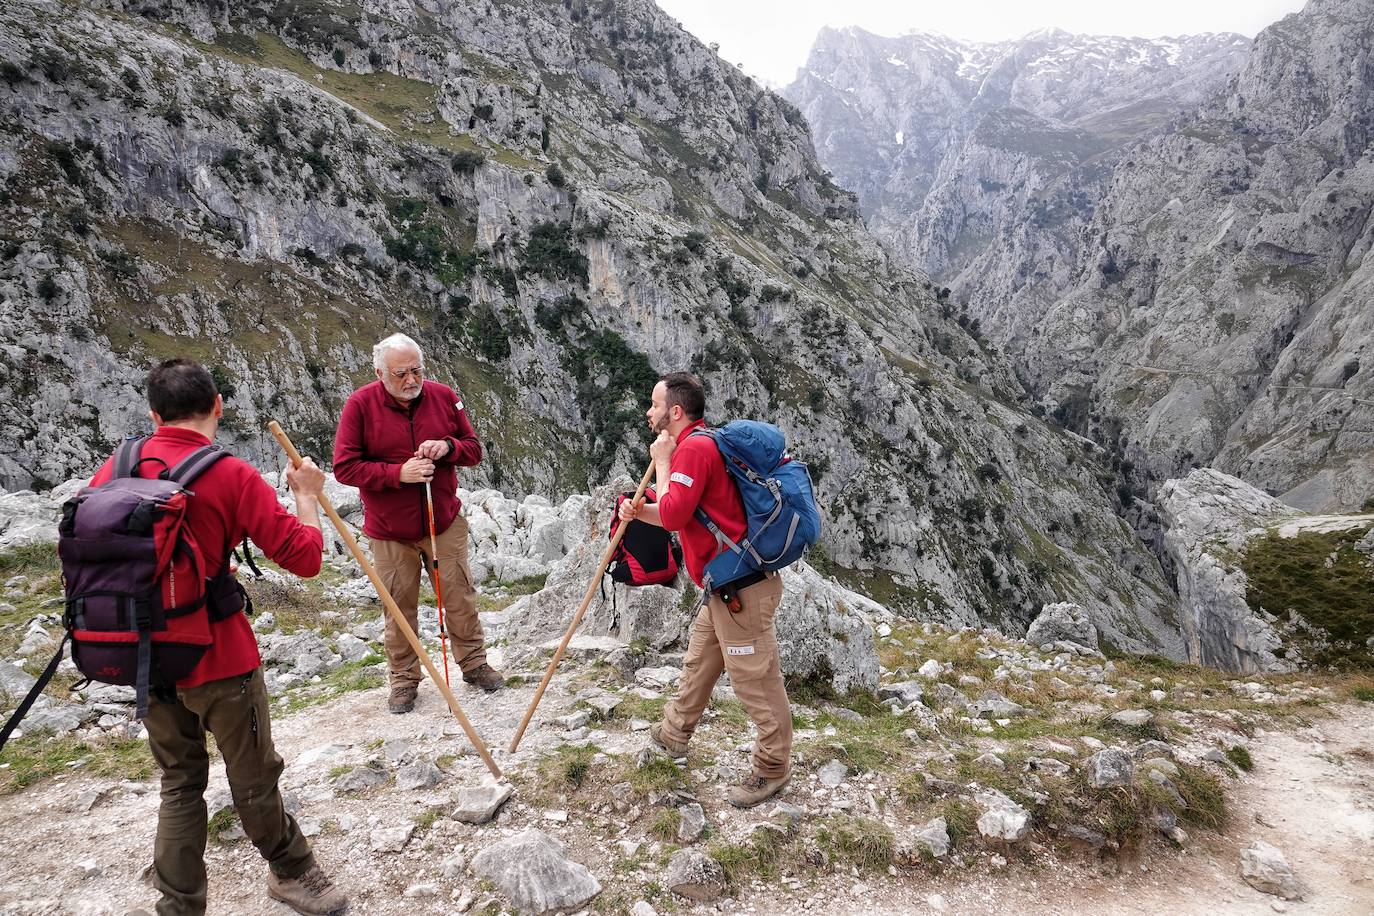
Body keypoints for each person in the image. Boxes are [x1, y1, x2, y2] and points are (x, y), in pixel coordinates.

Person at [90, 359, 348, 916]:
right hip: (218, 655)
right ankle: (293, 872)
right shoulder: (229, 474)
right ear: (219, 406)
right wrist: (305, 495)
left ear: (154, 414)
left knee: (179, 783)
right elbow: (304, 558)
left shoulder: (116, 466)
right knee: (253, 776)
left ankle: (179, 908)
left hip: (143, 659)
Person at [618, 372, 793, 808]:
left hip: (741, 592)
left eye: (655, 405)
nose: (649, 412)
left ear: (675, 412)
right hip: (722, 588)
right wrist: (640, 513)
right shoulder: (695, 445)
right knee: (699, 662)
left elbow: (676, 514)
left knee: (755, 681)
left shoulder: (693, 449)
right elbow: (680, 512)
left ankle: (772, 768)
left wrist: (662, 460)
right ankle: (674, 734)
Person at [333, 332, 502, 714]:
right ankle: (404, 680)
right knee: (398, 607)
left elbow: (473, 449)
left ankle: (474, 664)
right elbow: (344, 467)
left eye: (416, 371)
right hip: (390, 530)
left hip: (442, 520)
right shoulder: (359, 405)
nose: (410, 381)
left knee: (460, 596)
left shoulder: (444, 396)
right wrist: (398, 474)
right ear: (380, 373)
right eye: (400, 374)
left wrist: (448, 448)